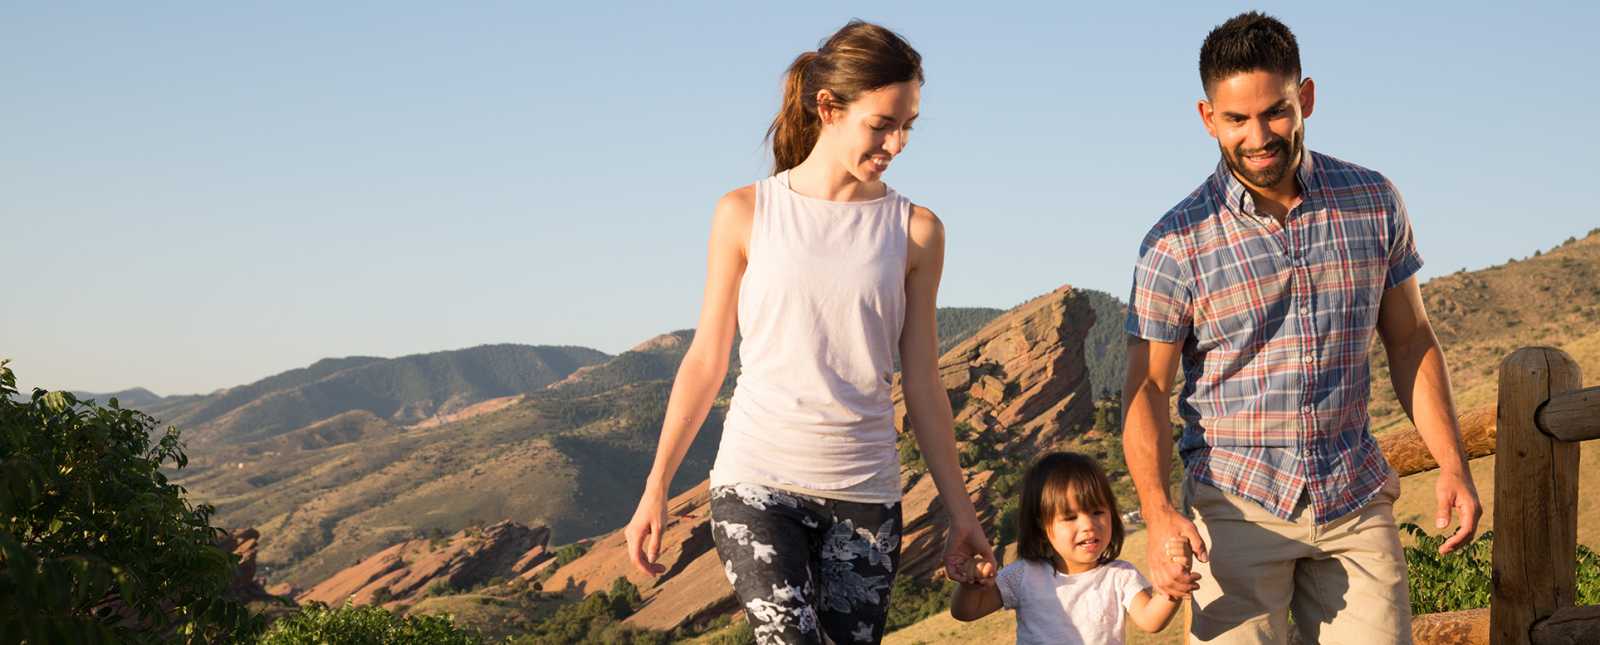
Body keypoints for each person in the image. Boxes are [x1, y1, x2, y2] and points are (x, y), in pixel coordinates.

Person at [622, 20, 996, 644]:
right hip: (757, 481)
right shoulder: (745, 212)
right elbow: (708, 358)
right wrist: (656, 486)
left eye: (908, 125)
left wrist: (963, 515)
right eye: (883, 123)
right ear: (828, 107)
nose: (898, 142)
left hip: (867, 498)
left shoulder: (916, 231)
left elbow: (925, 384)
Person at [1121, 11, 1482, 644]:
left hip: (1355, 499)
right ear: (1208, 118)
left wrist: (1451, 462)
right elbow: (1147, 389)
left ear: (1305, 97)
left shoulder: (1374, 201)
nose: (1258, 135)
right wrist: (1157, 512)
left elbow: (1410, 339)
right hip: (1233, 509)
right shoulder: (1173, 244)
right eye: (1236, 119)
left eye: (1275, 112)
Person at [949, 452, 1186, 645]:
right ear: (1042, 525)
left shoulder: (1120, 576)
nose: (1088, 525)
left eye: (1097, 512)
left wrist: (1172, 587)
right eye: (1070, 517)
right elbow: (966, 612)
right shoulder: (1023, 575)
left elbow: (1150, 621)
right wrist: (971, 585)